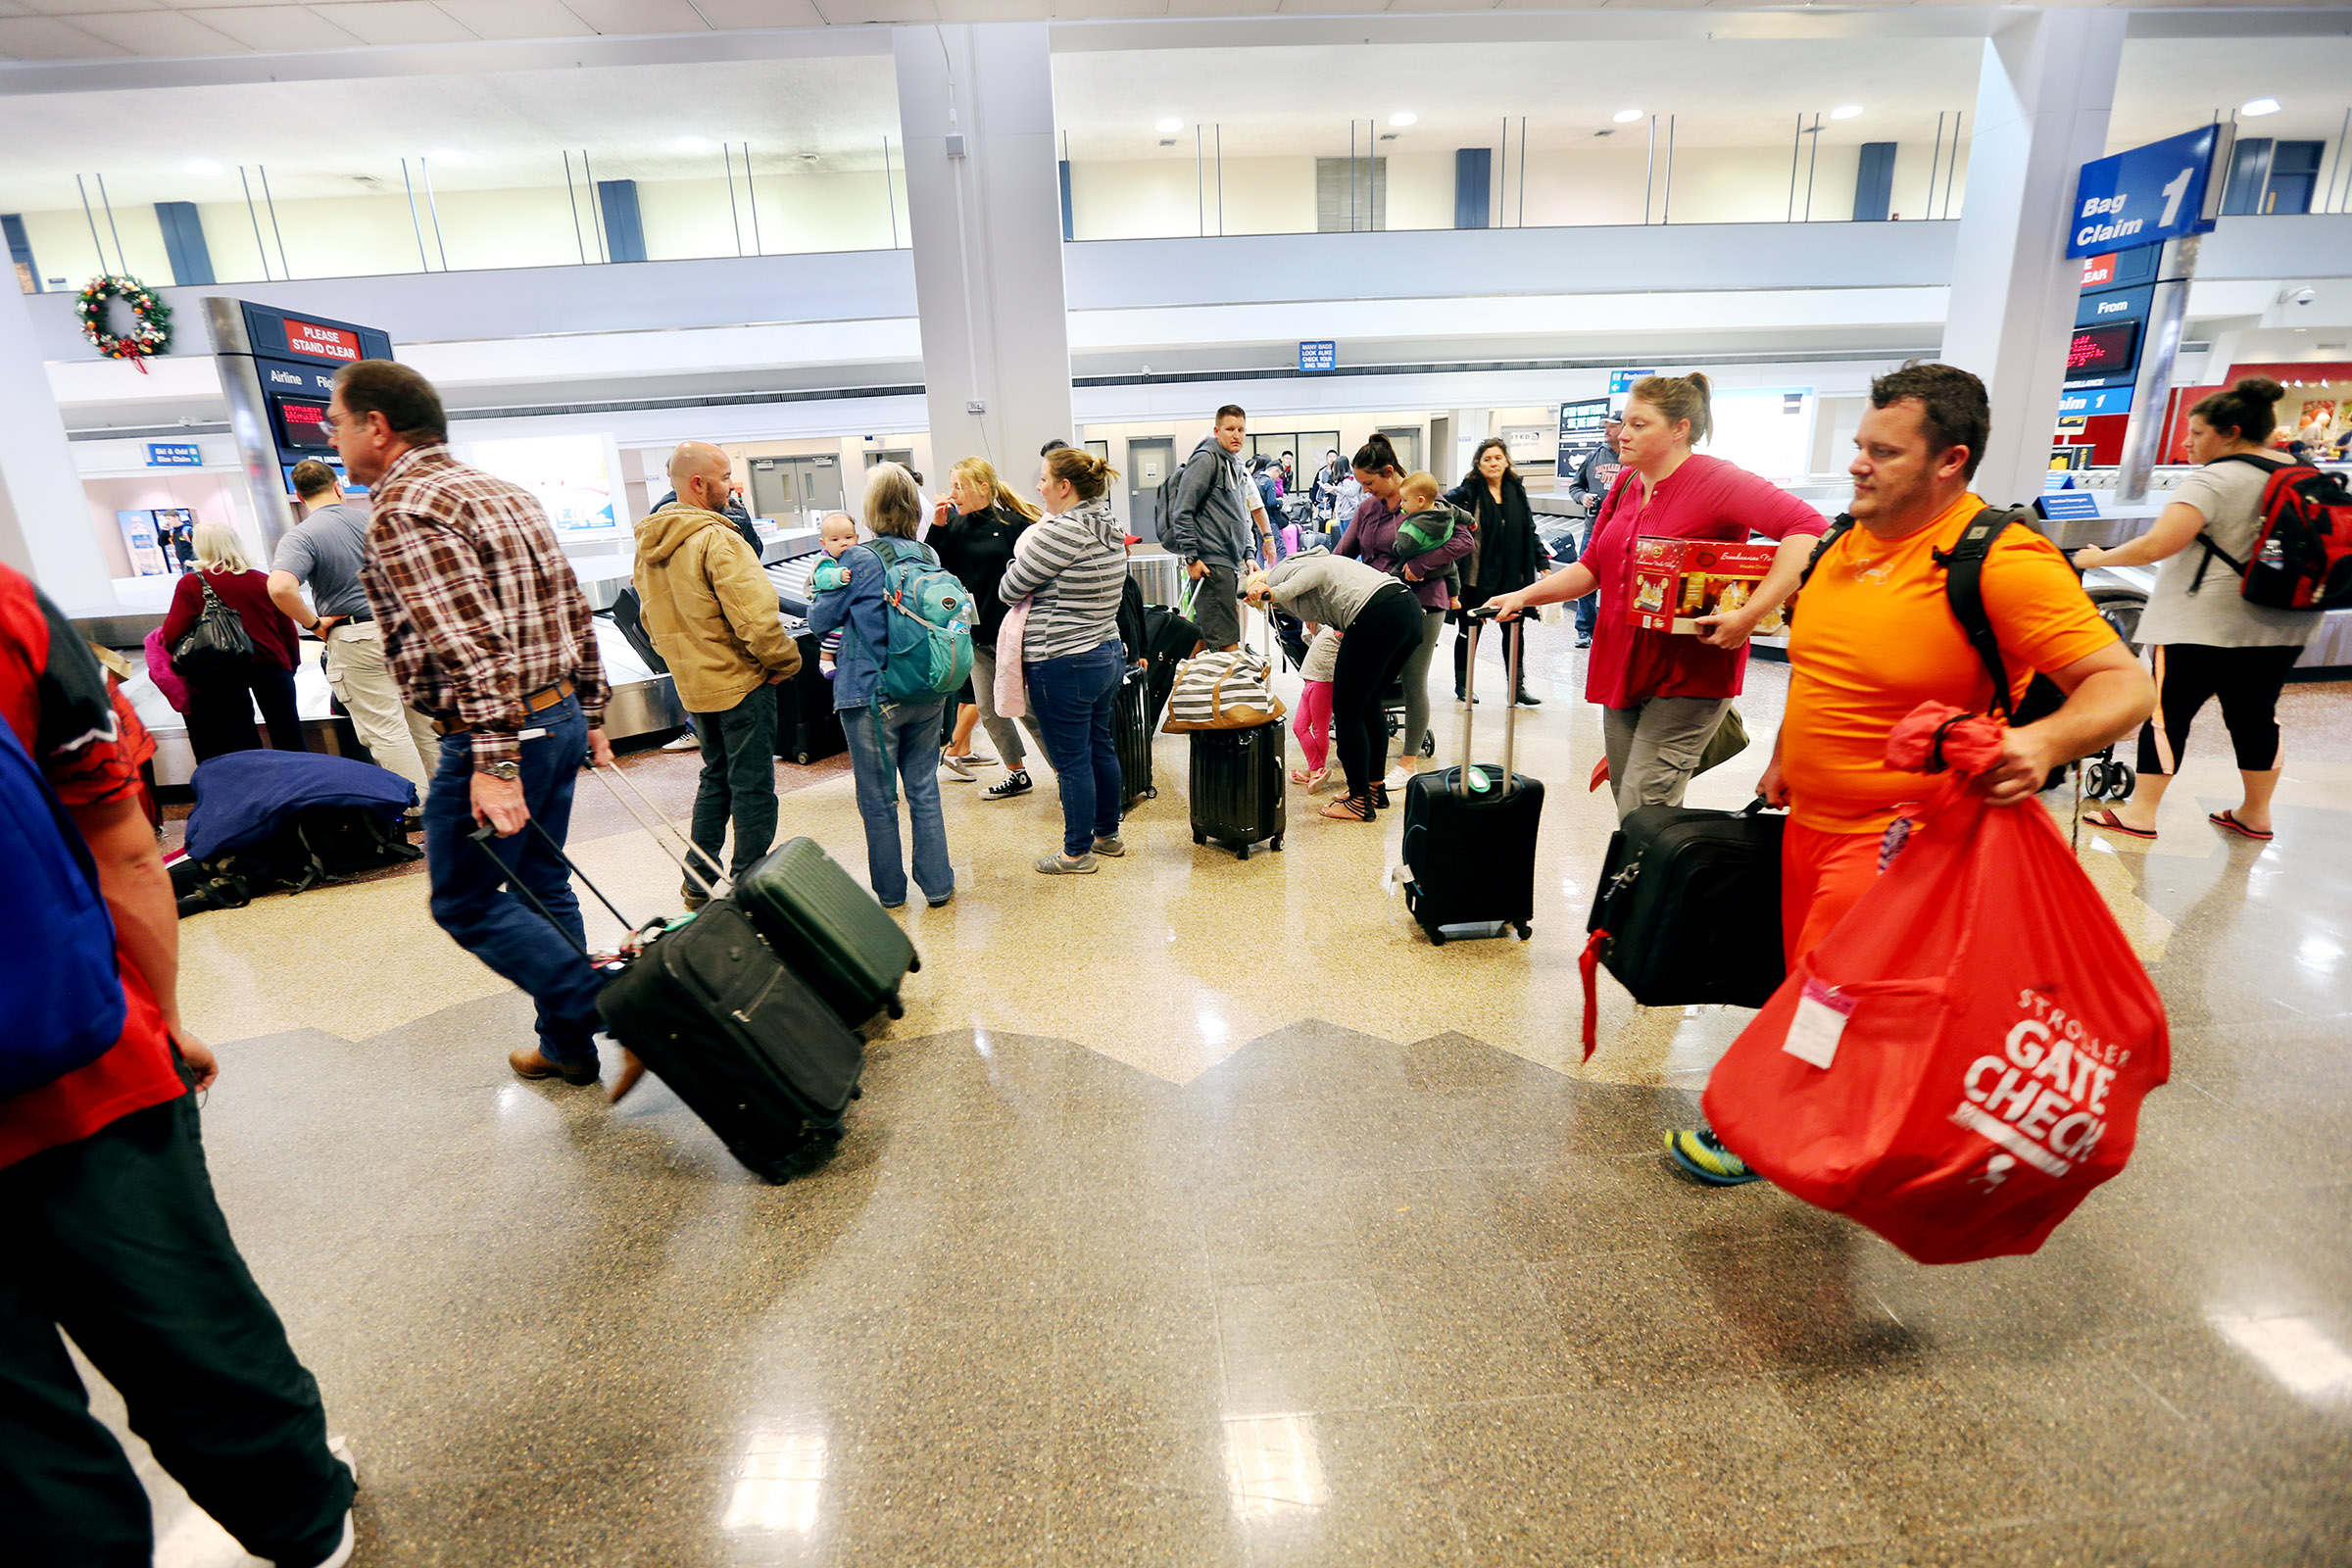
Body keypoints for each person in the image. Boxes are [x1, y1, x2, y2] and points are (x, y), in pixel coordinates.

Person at [1666, 363, 2152, 1187]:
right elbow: (1824, 672)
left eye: (1884, 452)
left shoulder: (2000, 559)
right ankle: (1845, 1114)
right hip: (1810, 823)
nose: (1859, 463)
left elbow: (2125, 686)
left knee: (1828, 989)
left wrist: (2040, 745)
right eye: (1860, 444)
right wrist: (1786, 754)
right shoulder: (1836, 549)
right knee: (1811, 983)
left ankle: (1769, 1130)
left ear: (1949, 460)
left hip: (1902, 837)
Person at [0, 564, 358, 1568]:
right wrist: (156, 1014)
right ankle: (306, 1525)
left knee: (17, 1450)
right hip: (79, 1067)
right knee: (190, 1329)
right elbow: (117, 840)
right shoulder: (8, 612)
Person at [328, 359, 613, 1088]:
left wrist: (492, 764)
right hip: (555, 717)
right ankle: (567, 1046)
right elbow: (573, 604)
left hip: (499, 734)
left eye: (337, 421)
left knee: (462, 900)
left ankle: (603, 1008)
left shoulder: (404, 509)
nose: (334, 437)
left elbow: (470, 646)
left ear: (377, 427)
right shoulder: (503, 492)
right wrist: (592, 711)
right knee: (543, 882)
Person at [1486, 374, 1825, 820]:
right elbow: (1592, 569)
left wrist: (1751, 614)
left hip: (1688, 674)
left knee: (1646, 806)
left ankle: (1647, 887)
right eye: (1624, 422)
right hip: (1622, 668)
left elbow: (1809, 529)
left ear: (1680, 428)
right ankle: (1648, 886)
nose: (1622, 434)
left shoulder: (1718, 480)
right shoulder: (1627, 483)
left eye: (1639, 425)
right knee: (1634, 808)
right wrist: (1524, 595)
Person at [2074, 377, 2314, 844]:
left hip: (2199, 625)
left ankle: (2141, 814)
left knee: (2167, 715)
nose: (2187, 442)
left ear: (2230, 433)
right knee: (2256, 716)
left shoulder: (2215, 477)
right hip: (2280, 624)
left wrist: (2097, 558)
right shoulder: (2301, 473)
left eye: (2197, 433)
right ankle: (2256, 813)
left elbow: (2158, 543)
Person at [635, 440, 802, 904]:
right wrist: (784, 662)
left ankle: (697, 881)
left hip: (695, 687)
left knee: (715, 777)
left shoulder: (648, 546)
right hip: (741, 684)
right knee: (752, 787)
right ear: (697, 483)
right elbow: (756, 618)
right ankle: (749, 884)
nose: (732, 485)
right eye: (725, 477)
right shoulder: (718, 539)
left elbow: (649, 621)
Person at [806, 462, 955, 909]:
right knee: (924, 789)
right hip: (926, 689)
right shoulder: (928, 557)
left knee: (878, 799)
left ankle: (890, 894)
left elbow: (819, 622)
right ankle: (938, 885)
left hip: (871, 693)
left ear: (870, 511)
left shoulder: (859, 558)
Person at [269, 458, 436, 791]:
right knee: (424, 723)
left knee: (386, 728)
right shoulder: (378, 522)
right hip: (407, 631)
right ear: (338, 486)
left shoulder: (302, 536)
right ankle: (453, 801)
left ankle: (418, 806)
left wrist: (314, 624)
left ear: (301, 497)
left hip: (356, 637)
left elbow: (280, 587)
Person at [1002, 445, 1130, 874]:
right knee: (1099, 746)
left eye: (1043, 479)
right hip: (1105, 651)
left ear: (1064, 486)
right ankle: (1107, 835)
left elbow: (1009, 588)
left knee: (1071, 760)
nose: (1038, 487)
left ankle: (1076, 852)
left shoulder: (1060, 532)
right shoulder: (1107, 524)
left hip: (1062, 658)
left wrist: (1015, 563)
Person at [1335, 433, 1472, 795]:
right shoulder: (1367, 509)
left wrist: (1421, 563)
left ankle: (1408, 761)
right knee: (1373, 684)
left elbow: (1465, 541)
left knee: (1413, 679)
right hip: (1375, 604)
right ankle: (1372, 756)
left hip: (1422, 601)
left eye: (1370, 483)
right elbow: (1344, 551)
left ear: (1390, 472)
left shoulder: (1424, 499)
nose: (1366, 491)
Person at [1245, 548, 1422, 821]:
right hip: (1406, 609)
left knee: (1347, 709)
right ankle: (1374, 790)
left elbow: (1317, 574)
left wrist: (1275, 592)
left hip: (1376, 613)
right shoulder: (1312, 559)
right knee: (1368, 704)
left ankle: (1358, 800)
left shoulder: (1285, 573)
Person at [930, 456, 1050, 800]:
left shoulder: (1012, 522)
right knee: (988, 708)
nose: (953, 493)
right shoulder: (953, 525)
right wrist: (937, 526)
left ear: (983, 487)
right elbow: (936, 567)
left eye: (958, 485)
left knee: (1027, 709)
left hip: (1014, 633)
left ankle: (1062, 772)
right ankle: (1017, 773)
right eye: (951, 484)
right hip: (976, 634)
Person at [161, 521, 306, 762]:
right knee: (289, 735)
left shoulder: (192, 584)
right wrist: (291, 664)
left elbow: (172, 632)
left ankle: (256, 791)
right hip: (272, 665)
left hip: (222, 671)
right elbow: (287, 629)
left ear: (201, 547)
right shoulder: (263, 580)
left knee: (241, 739)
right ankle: (305, 790)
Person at [1446, 437, 1547, 707]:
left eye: (1498, 458)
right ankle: (1463, 684)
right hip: (1475, 575)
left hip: (1511, 575)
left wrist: (1542, 562)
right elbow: (1440, 504)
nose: (1493, 463)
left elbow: (1529, 528)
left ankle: (1517, 686)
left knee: (1515, 629)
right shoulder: (1470, 490)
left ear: (1506, 461)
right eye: (1487, 459)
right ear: (1478, 464)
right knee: (1469, 628)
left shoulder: (1516, 489)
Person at [1166, 405, 1270, 652]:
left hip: (1229, 562)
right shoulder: (1206, 459)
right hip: (1211, 563)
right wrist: (1191, 556)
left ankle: (1181, 688)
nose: (1237, 435)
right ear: (1217, 431)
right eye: (1230, 429)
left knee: (1204, 638)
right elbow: (1183, 509)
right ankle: (1232, 689)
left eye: (1241, 429)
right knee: (1226, 643)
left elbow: (1239, 515)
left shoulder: (1234, 465)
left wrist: (1248, 553)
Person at [1564, 414, 1626, 646]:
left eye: (1612, 426)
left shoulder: (1635, 460)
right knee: (1586, 578)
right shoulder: (1593, 457)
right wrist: (1583, 498)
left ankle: (1612, 630)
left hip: (1622, 532)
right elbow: (1576, 486)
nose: (1607, 430)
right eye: (1605, 426)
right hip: (1594, 529)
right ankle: (1584, 628)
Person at [1289, 620, 1342, 793]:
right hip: (1311, 679)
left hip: (1324, 682)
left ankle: (1316, 769)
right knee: (1299, 727)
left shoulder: (1342, 628)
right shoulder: (1326, 624)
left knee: (1320, 728)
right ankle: (1316, 768)